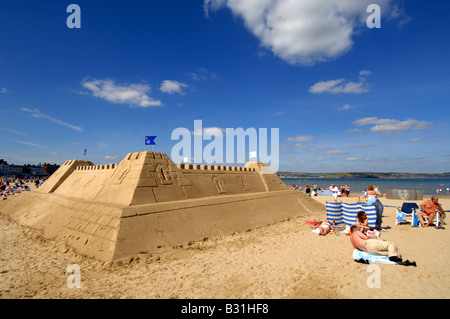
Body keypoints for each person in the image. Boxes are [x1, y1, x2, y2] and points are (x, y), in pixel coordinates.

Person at [349, 225, 416, 266]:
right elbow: (366, 238)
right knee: (391, 244)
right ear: (356, 229)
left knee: (389, 252)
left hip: (368, 251)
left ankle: (395, 258)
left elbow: (355, 248)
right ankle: (393, 257)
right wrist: (372, 237)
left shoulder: (351, 237)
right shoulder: (356, 232)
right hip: (369, 243)